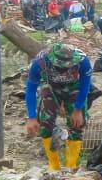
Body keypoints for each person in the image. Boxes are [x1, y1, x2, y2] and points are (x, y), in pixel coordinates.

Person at [24, 43, 92, 172]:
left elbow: (85, 86)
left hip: (74, 87)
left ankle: (71, 165)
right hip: (51, 87)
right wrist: (31, 117)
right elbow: (31, 89)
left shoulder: (83, 61)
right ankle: (54, 165)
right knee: (45, 123)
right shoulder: (39, 62)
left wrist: (78, 109)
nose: (64, 68)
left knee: (77, 124)